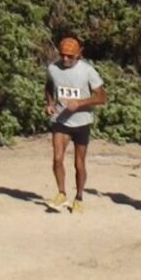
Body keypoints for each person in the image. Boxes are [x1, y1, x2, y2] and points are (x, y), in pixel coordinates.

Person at [44, 36, 105, 213]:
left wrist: (80, 103)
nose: (65, 59)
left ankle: (79, 197)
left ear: (79, 54)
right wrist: (49, 103)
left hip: (82, 121)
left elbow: (102, 97)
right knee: (57, 158)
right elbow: (48, 86)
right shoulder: (53, 69)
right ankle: (61, 193)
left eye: (70, 56)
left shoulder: (88, 71)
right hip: (60, 120)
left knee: (79, 164)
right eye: (62, 55)